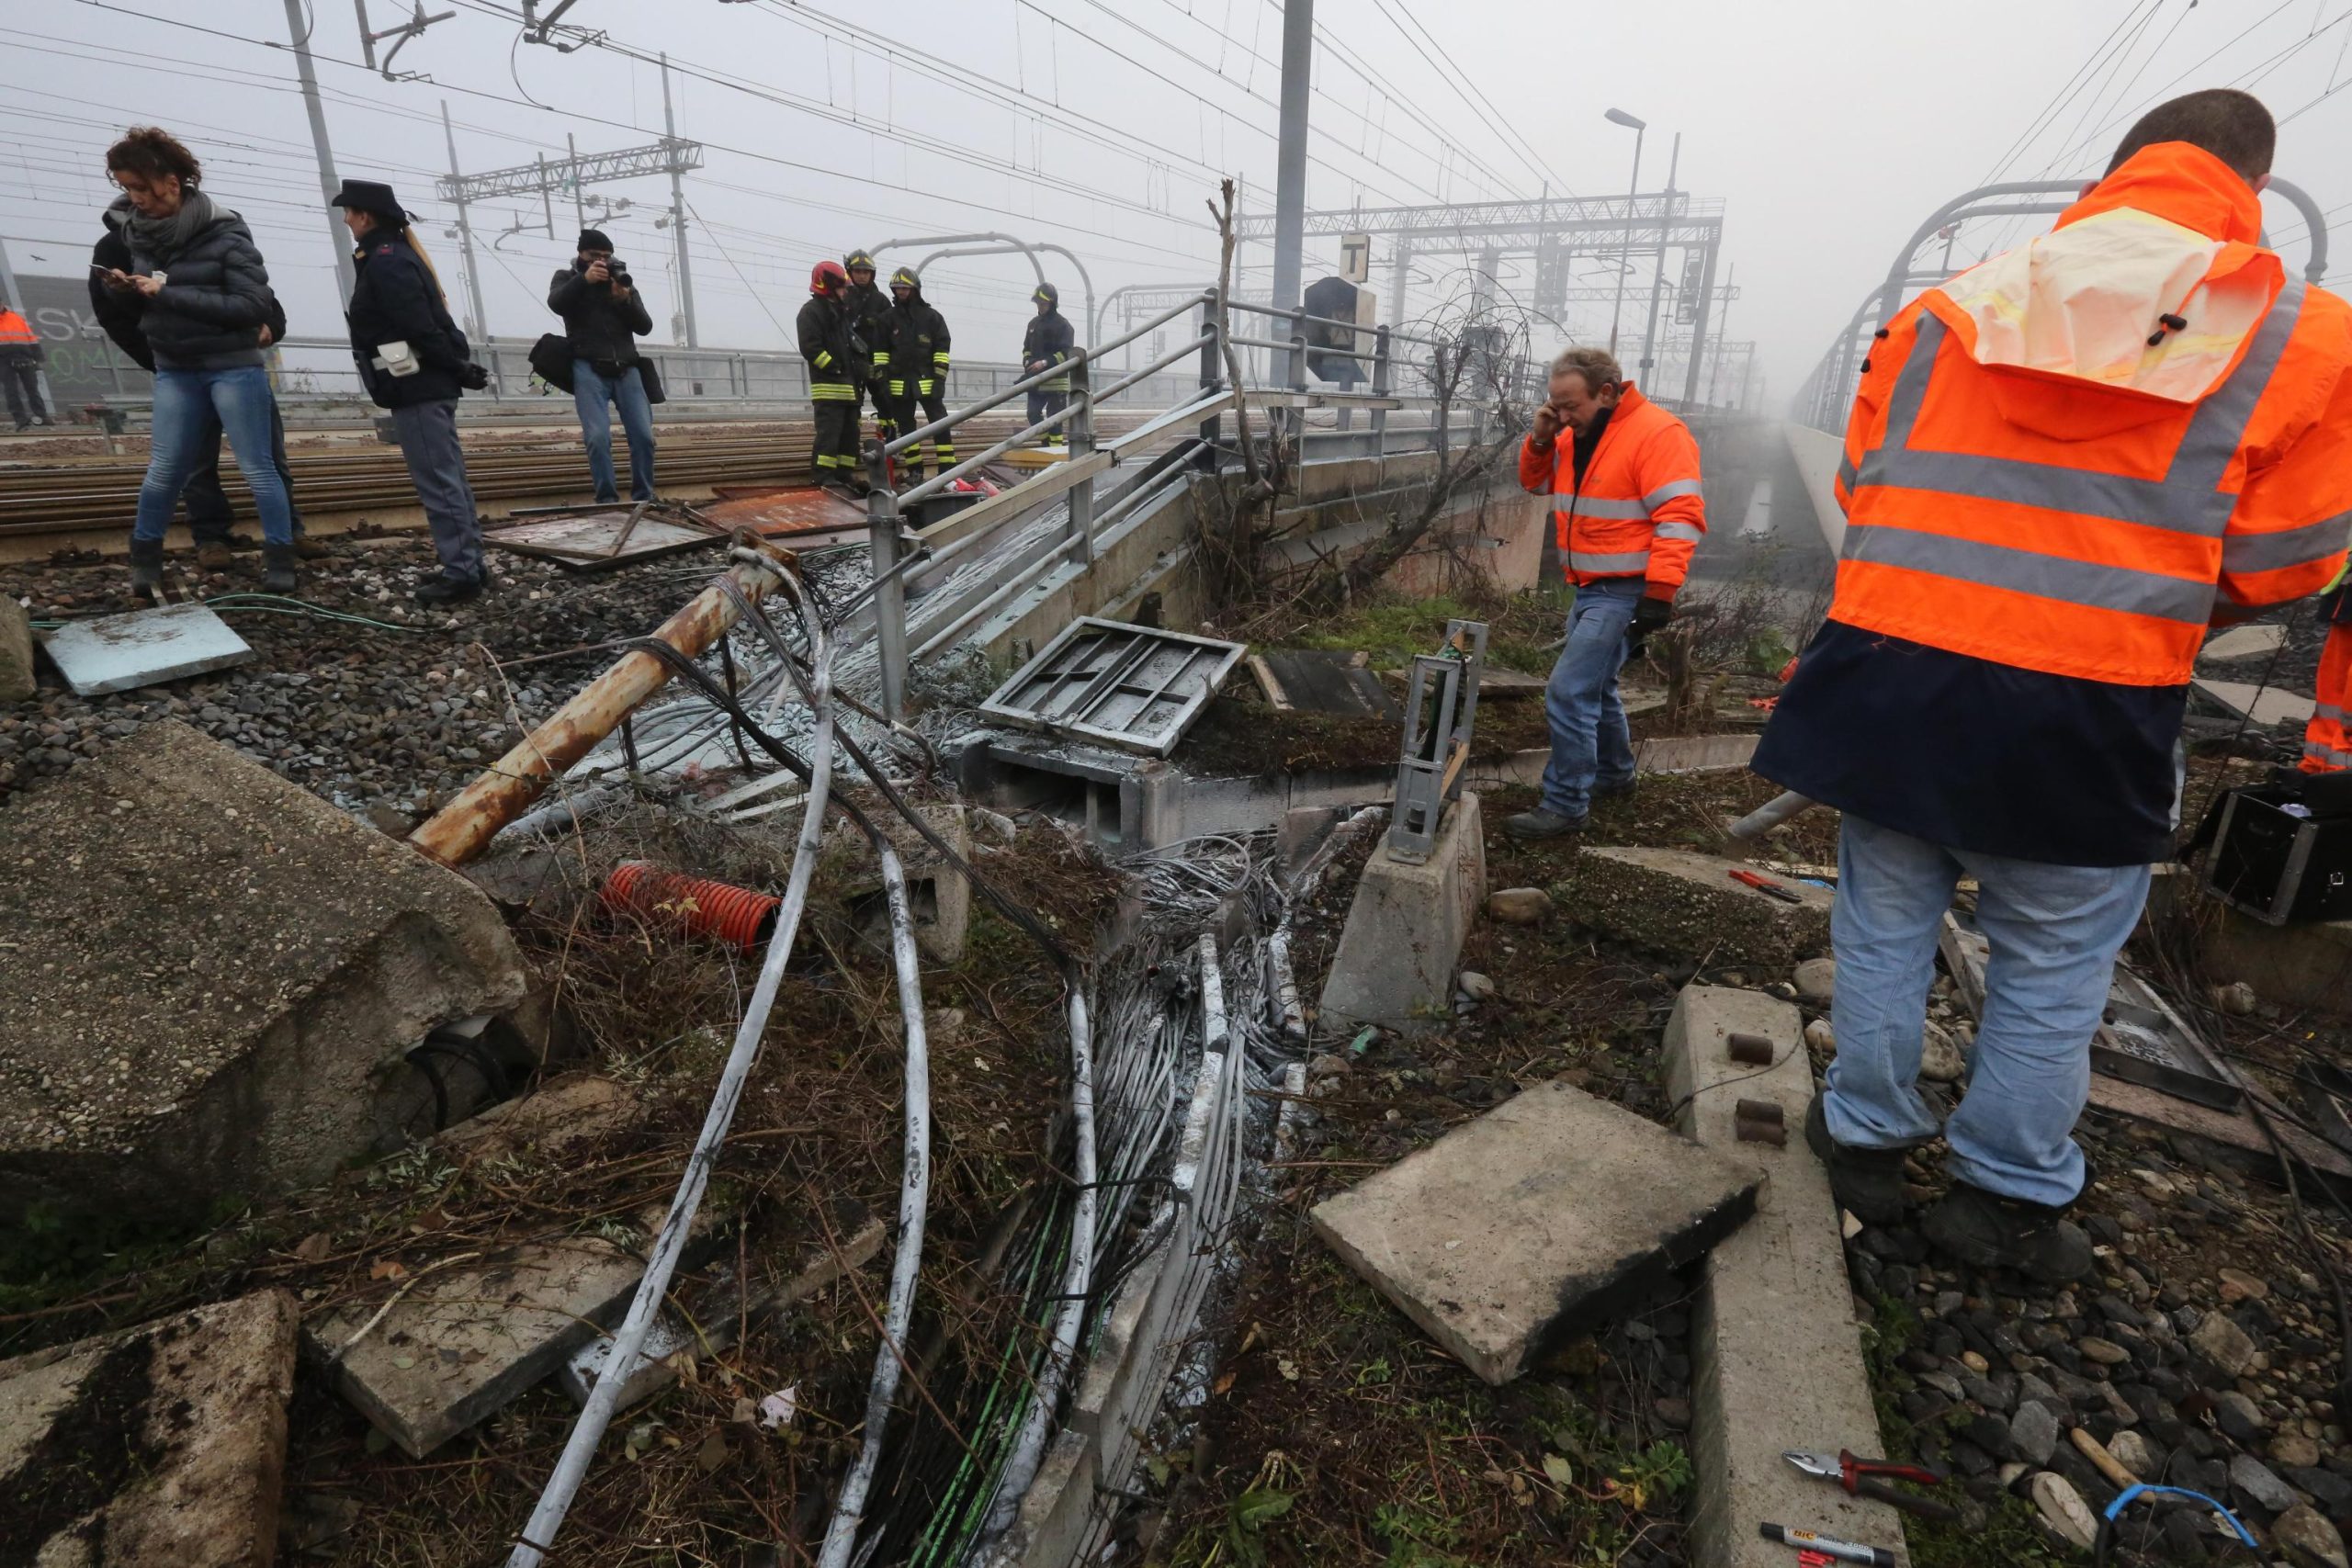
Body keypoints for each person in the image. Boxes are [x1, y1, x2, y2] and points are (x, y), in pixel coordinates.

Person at [1754, 89, 2352, 1283]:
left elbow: (1869, 484)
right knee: (2054, 963)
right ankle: (2004, 1198)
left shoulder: (1950, 308)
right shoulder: (2304, 333)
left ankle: (1863, 1142)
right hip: (2090, 700)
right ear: (2250, 185)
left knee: (1881, 927)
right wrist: (2144, 594)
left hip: (1892, 677)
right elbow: (2289, 558)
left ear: (2116, 174)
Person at [1504, 345, 1705, 840]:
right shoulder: (1571, 435)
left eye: (1571, 406)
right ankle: (1614, 776)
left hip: (1624, 590)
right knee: (1598, 687)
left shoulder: (1658, 434)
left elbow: (1680, 516)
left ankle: (1565, 805)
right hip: (1590, 588)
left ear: (1608, 392)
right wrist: (1540, 438)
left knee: (1569, 691)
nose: (1563, 416)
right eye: (1556, 405)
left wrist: (1659, 593)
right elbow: (1535, 484)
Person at [99, 128, 301, 594]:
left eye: (140, 187)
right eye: (127, 188)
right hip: (175, 368)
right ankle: (145, 562)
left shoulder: (228, 235)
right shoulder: (138, 235)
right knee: (164, 470)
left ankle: (280, 559)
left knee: (258, 468)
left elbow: (252, 305)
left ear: (171, 182)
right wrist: (125, 291)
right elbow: (146, 309)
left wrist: (166, 293)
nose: (134, 198)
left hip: (233, 367)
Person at [90, 220, 319, 571]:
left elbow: (262, 298)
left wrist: (272, 326)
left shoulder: (213, 234)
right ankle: (211, 538)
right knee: (196, 464)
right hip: (182, 371)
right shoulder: (115, 247)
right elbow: (115, 315)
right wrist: (161, 359)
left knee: (267, 459)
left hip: (236, 366)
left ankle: (288, 534)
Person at [334, 177, 491, 604]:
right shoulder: (396, 255)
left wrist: (456, 367)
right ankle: (470, 563)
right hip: (424, 382)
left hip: (417, 384)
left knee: (439, 482)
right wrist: (456, 368)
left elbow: (418, 325)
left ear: (365, 216)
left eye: (348, 212)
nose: (346, 220)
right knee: (448, 477)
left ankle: (462, 573)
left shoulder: (386, 261)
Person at [548, 227, 657, 505]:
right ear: (581, 254)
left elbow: (645, 326)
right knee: (597, 437)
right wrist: (583, 281)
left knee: (644, 436)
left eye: (607, 256)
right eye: (594, 255)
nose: (601, 261)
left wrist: (624, 300)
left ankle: (644, 498)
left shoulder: (620, 281)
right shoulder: (567, 278)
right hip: (588, 366)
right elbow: (557, 303)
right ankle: (606, 500)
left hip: (627, 367)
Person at [797, 259, 866, 493]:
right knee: (829, 436)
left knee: (850, 437)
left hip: (849, 389)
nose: (845, 291)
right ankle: (824, 476)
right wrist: (834, 367)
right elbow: (810, 348)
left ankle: (844, 475)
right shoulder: (811, 312)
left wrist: (858, 368)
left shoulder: (840, 312)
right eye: (842, 287)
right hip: (829, 389)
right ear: (827, 286)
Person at [880, 265, 954, 477]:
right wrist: (882, 381)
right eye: (898, 288)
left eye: (905, 288)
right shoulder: (887, 319)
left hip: (929, 383)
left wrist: (939, 380)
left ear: (915, 289)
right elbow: (881, 353)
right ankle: (915, 472)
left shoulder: (932, 318)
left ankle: (947, 470)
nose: (901, 292)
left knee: (940, 425)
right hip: (899, 385)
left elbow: (941, 351)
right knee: (907, 431)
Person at [842, 248, 892, 440]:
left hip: (876, 363)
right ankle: (851, 444)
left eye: (866, 272)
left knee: (886, 403)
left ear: (872, 274)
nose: (862, 276)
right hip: (850, 364)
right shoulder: (842, 297)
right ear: (850, 272)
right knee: (852, 405)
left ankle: (890, 441)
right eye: (858, 271)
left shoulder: (880, 301)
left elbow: (891, 333)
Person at [1022, 282, 1074, 450]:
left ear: (1052, 303)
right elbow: (1026, 348)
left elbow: (1066, 353)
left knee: (1055, 419)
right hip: (1036, 380)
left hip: (1056, 382)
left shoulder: (1063, 325)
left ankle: (1055, 451)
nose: (1040, 306)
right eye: (1038, 303)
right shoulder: (1033, 324)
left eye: (1043, 303)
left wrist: (1044, 363)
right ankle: (1046, 444)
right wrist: (1027, 361)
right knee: (1032, 414)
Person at [0, 297, 48, 430]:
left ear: (2, 303)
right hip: (3, 360)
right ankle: (20, 419)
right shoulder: (15, 318)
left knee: (32, 388)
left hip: (24, 357)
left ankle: (42, 416)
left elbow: (31, 338)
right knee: (11, 390)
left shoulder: (16, 318)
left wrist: (38, 358)